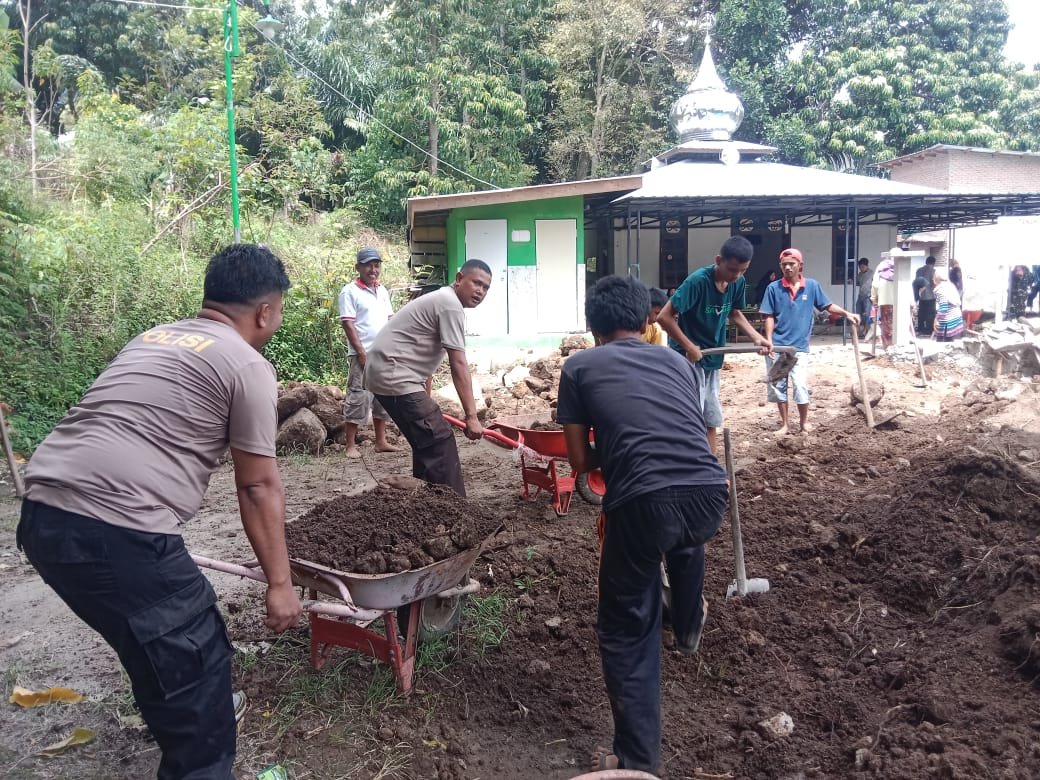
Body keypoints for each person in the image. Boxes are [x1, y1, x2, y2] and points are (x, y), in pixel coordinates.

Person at [17, 244, 302, 780]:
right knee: (197, 658)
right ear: (265, 311)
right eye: (280, 311)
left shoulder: (153, 337)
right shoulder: (247, 364)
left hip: (40, 517)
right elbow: (258, 486)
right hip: (115, 529)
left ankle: (177, 707)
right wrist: (280, 583)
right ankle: (197, 731)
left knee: (152, 637)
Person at [557, 275, 729, 776]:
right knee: (685, 538)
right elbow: (685, 430)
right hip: (708, 491)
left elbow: (578, 461)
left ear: (593, 326)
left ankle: (635, 758)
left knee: (626, 625)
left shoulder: (579, 366)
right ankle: (688, 628)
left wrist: (616, 451)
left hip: (643, 502)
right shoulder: (678, 362)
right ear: (645, 319)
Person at [364, 259, 491, 496]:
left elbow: (423, 352)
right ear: (459, 278)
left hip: (388, 371)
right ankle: (454, 508)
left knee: (426, 441)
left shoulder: (444, 300)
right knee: (439, 440)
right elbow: (458, 362)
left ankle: (425, 503)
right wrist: (472, 416)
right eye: (476, 283)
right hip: (394, 373)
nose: (480, 291)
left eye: (485, 288)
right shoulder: (450, 305)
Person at [656, 235, 771, 451]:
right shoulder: (697, 282)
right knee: (690, 416)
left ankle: (710, 463)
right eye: (732, 270)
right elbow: (664, 316)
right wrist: (689, 346)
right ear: (719, 260)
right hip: (688, 360)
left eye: (743, 271)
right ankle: (689, 461)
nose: (736, 276)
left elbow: (734, 312)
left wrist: (756, 337)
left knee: (711, 415)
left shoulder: (737, 283)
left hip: (712, 357)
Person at [759, 248, 859, 435]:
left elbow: (827, 305)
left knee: (800, 385)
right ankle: (785, 424)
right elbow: (769, 316)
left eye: (791, 264)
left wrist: (846, 313)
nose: (787, 267)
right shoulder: (773, 288)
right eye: (784, 265)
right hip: (779, 345)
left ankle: (803, 423)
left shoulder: (811, 286)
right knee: (778, 386)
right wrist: (769, 340)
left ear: (800, 266)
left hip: (799, 348)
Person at [337, 247, 400, 458]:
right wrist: (361, 353)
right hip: (361, 354)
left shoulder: (382, 291)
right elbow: (348, 324)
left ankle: (380, 442)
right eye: (368, 266)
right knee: (358, 396)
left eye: (376, 265)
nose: (373, 270)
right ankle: (350, 446)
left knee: (383, 397)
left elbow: (390, 320)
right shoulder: (349, 291)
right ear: (358, 267)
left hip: (383, 353)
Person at [931, 267, 964, 342]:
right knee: (949, 342)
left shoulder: (940, 289)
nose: (932, 279)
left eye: (933, 276)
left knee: (942, 342)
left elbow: (943, 307)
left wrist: (936, 319)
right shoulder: (950, 285)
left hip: (948, 318)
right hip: (956, 316)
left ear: (936, 278)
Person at [870, 256, 896, 348]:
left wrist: (874, 298)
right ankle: (898, 344)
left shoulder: (882, 265)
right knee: (899, 322)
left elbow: (875, 284)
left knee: (887, 323)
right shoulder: (901, 265)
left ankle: (887, 345)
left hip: (886, 299)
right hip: (900, 300)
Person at [912, 256, 937, 336]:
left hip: (921, 296)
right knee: (930, 314)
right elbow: (934, 282)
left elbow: (917, 282)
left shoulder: (918, 270)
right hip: (930, 296)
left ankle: (920, 329)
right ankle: (928, 330)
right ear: (933, 263)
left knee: (921, 313)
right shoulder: (933, 271)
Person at [855, 257, 872, 337]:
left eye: (862, 267)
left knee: (867, 314)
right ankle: (859, 330)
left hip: (868, 296)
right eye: (860, 267)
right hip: (861, 296)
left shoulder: (872, 274)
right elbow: (857, 282)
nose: (861, 269)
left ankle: (866, 330)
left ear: (867, 266)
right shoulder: (860, 274)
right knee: (858, 312)